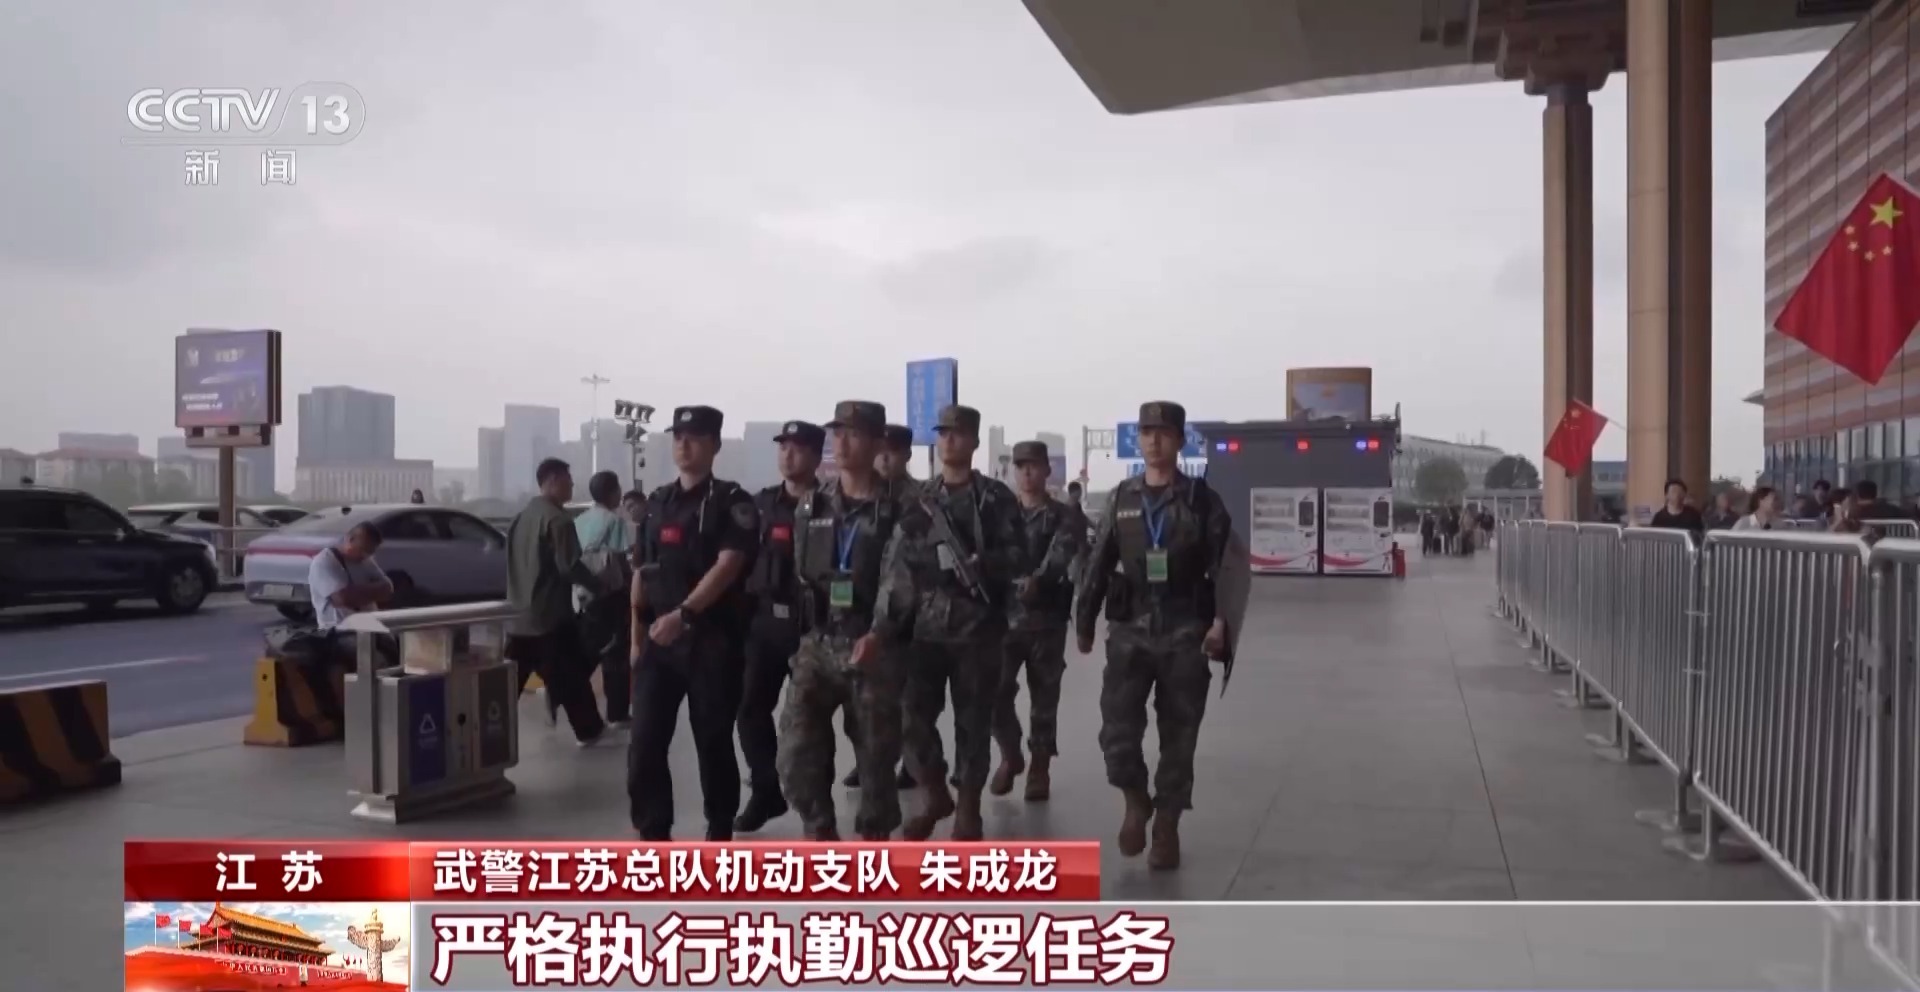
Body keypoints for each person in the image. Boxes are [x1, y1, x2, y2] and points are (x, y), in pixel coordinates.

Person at [1074, 401, 1233, 871]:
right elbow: (1098, 562)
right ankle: (1135, 799)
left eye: (1163, 433)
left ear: (1179, 440)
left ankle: (1166, 824)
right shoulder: (1121, 498)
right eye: (1147, 432)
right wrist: (1084, 620)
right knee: (1116, 731)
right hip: (1130, 631)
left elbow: (1227, 570)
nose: (1154, 440)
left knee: (1179, 735)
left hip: (1186, 630)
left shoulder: (1202, 501)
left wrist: (1222, 623)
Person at [777, 401, 914, 840]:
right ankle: (821, 834)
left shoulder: (899, 510)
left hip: (872, 645)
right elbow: (801, 572)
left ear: (876, 443)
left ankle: (874, 841)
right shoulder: (812, 505)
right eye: (837, 433)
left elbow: (898, 580)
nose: (842, 442)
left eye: (853, 434)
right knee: (795, 753)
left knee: (876, 760)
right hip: (818, 643)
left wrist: (878, 633)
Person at [892, 404, 1025, 841]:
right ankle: (935, 792)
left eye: (959, 433)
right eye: (944, 433)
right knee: (910, 717)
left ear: (974, 441)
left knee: (973, 722)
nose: (949, 440)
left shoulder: (995, 498)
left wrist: (983, 563)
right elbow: (898, 563)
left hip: (978, 627)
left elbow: (1018, 556)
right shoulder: (918, 499)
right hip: (925, 629)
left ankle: (968, 805)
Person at [628, 406, 759, 840]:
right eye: (678, 437)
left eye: (695, 437)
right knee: (644, 740)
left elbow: (729, 564)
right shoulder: (657, 504)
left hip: (711, 640)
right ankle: (653, 833)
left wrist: (684, 614)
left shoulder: (731, 501)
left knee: (713, 740)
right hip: (660, 642)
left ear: (715, 445)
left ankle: (719, 828)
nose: (684, 445)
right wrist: (636, 640)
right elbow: (641, 574)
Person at [735, 419, 824, 833]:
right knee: (750, 708)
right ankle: (766, 790)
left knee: (812, 720)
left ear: (816, 457)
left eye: (798, 448)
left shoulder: (830, 505)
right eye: (783, 447)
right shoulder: (759, 506)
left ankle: (816, 806)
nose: (788, 455)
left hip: (814, 627)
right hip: (765, 624)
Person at [990, 440, 1085, 802]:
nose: (1027, 472)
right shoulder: (1001, 515)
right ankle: (1010, 753)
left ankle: (1040, 768)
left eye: (1033, 465)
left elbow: (1062, 552)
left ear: (1047, 470)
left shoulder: (1064, 515)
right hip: (1004, 623)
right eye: (1021, 466)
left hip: (1046, 622)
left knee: (1044, 701)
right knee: (993, 692)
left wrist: (1039, 581)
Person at [505, 458, 607, 747]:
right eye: (567, 479)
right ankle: (589, 731)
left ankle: (487, 729)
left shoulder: (520, 518)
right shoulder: (558, 520)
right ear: (552, 480)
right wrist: (598, 585)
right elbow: (569, 566)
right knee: (572, 676)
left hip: (518, 616)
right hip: (550, 616)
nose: (572, 485)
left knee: (505, 687)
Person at [844, 422, 922, 791]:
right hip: (862, 606)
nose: (885, 459)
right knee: (861, 697)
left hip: (907, 612)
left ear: (906, 455)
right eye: (880, 452)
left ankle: (911, 764)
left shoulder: (918, 499)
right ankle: (867, 762)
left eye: (893, 452)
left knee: (907, 697)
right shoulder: (859, 495)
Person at [574, 470, 633, 727]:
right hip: (611, 594)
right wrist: (630, 584)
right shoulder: (614, 520)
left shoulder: (579, 520)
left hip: (585, 595)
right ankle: (617, 713)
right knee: (616, 653)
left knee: (589, 648)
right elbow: (621, 557)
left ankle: (568, 693)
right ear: (612, 493)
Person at [308, 521, 394, 630]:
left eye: (370, 552)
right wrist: (374, 592)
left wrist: (355, 592)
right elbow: (342, 598)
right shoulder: (325, 561)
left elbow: (388, 589)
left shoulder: (367, 561)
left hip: (369, 627)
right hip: (339, 630)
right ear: (350, 539)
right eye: (363, 549)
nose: (365, 555)